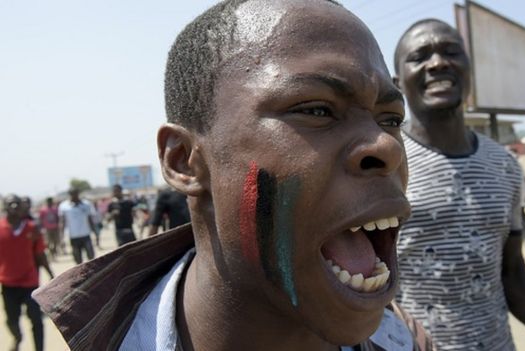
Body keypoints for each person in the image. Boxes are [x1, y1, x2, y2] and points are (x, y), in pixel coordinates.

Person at [33, 1, 435, 350]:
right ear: (184, 160)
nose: (387, 146)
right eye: (316, 110)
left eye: (391, 119)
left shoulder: (407, 341)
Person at [393, 19, 525, 350]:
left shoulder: (505, 166)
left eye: (451, 52)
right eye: (420, 55)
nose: (438, 62)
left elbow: (512, 274)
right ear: (398, 81)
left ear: (470, 69)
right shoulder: (385, 163)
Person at [1, 195, 53, 351]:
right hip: (8, 284)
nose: (15, 206)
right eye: (11, 203)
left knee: (36, 320)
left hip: (29, 282)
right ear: (5, 206)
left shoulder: (32, 228)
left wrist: (50, 273)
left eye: (17, 203)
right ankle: (17, 338)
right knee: (11, 321)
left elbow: (40, 255)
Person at [58, 188, 97, 264]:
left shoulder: (86, 204)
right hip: (73, 236)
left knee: (91, 257)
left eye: (76, 193)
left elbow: (90, 220)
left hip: (86, 235)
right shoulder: (64, 206)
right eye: (72, 194)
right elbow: (62, 222)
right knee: (78, 259)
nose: (74, 196)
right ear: (69, 195)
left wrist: (95, 232)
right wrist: (61, 237)